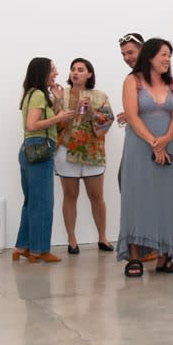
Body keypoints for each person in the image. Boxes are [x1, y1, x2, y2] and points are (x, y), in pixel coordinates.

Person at [118, 38, 173, 276]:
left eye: (169, 54)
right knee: (138, 198)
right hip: (140, 146)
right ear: (149, 57)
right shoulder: (132, 81)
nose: (167, 59)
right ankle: (134, 256)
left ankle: (165, 256)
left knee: (166, 200)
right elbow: (132, 115)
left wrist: (166, 139)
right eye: (163, 54)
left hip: (167, 146)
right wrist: (153, 143)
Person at [55, 58, 115, 254]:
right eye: (73, 69)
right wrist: (55, 102)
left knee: (97, 197)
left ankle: (103, 238)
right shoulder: (60, 94)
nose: (75, 72)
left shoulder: (99, 96)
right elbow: (52, 121)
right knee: (70, 195)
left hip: (92, 152)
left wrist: (90, 111)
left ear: (89, 74)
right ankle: (72, 240)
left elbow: (106, 122)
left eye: (81, 69)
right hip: (66, 150)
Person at [16, 57, 73, 263]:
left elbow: (43, 121)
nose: (56, 72)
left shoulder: (34, 93)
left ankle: (22, 246)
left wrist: (57, 100)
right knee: (43, 203)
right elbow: (33, 124)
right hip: (40, 149)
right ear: (42, 72)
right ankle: (38, 250)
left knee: (31, 202)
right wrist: (60, 117)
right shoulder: (38, 94)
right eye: (53, 69)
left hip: (29, 150)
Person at [113, 32, 144, 127]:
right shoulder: (130, 80)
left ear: (143, 50)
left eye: (130, 52)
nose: (126, 58)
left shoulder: (160, 76)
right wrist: (131, 115)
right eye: (123, 54)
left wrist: (131, 115)